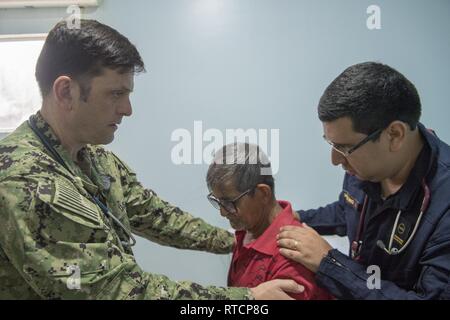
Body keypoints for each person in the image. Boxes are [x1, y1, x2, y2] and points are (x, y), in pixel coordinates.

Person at [0, 19, 302, 300]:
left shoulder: (94, 158)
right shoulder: (29, 181)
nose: (127, 109)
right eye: (115, 94)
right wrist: (246, 299)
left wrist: (243, 240)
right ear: (66, 91)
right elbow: (116, 291)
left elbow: (156, 216)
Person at [277, 62, 450, 299]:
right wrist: (297, 218)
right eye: (331, 145)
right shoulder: (365, 168)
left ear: (395, 135)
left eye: (345, 148)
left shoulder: (444, 207)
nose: (335, 160)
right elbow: (347, 209)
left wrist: (331, 264)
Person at [206, 142, 332, 300]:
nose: (223, 212)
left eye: (230, 203)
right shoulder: (247, 230)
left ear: (262, 193)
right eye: (218, 202)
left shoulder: (292, 257)